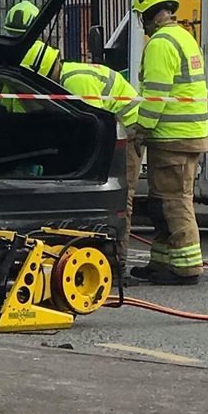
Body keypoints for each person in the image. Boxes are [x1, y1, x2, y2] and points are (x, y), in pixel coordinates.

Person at [130, 0, 208, 285]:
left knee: (174, 201)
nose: (143, 25)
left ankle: (187, 267)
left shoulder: (161, 44)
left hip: (172, 135)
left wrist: (142, 129)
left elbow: (156, 95)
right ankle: (161, 262)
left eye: (142, 17)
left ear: (149, 13)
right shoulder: (185, 37)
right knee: (163, 201)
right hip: (189, 133)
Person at [59, 52, 143, 262]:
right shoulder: (69, 75)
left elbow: (94, 126)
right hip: (123, 127)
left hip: (128, 131)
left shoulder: (75, 81)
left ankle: (118, 261)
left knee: (121, 197)